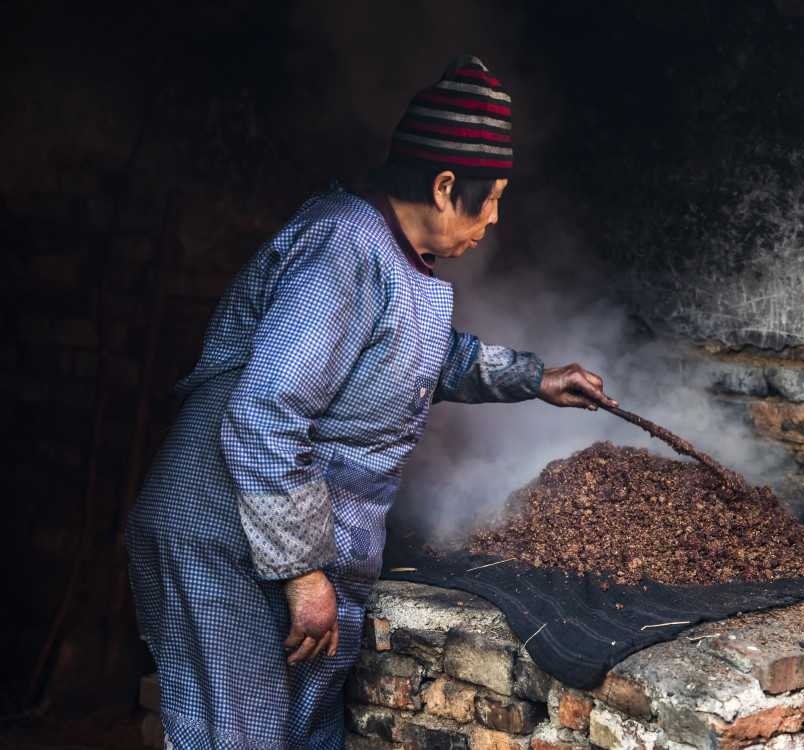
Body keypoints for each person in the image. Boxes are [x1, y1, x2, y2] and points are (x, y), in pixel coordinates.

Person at [125, 55, 615, 749]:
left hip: (290, 540)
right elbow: (265, 411)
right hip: (226, 535)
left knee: (304, 734)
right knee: (238, 737)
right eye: (493, 197)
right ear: (446, 187)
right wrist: (301, 571)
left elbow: (429, 356)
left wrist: (534, 378)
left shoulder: (403, 268)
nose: (496, 217)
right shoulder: (344, 246)